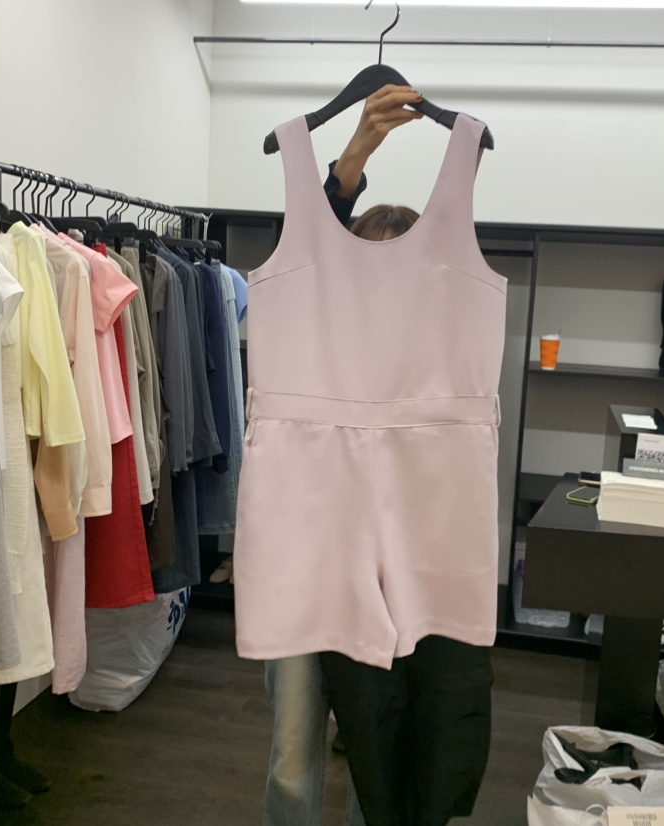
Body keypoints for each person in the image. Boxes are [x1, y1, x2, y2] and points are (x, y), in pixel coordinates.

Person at [262, 84, 423, 826]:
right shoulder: (313, 334)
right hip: (305, 564)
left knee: (378, 747)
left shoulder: (432, 360)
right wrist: (355, 154)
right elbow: (304, 253)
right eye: (365, 262)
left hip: (394, 575)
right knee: (293, 752)